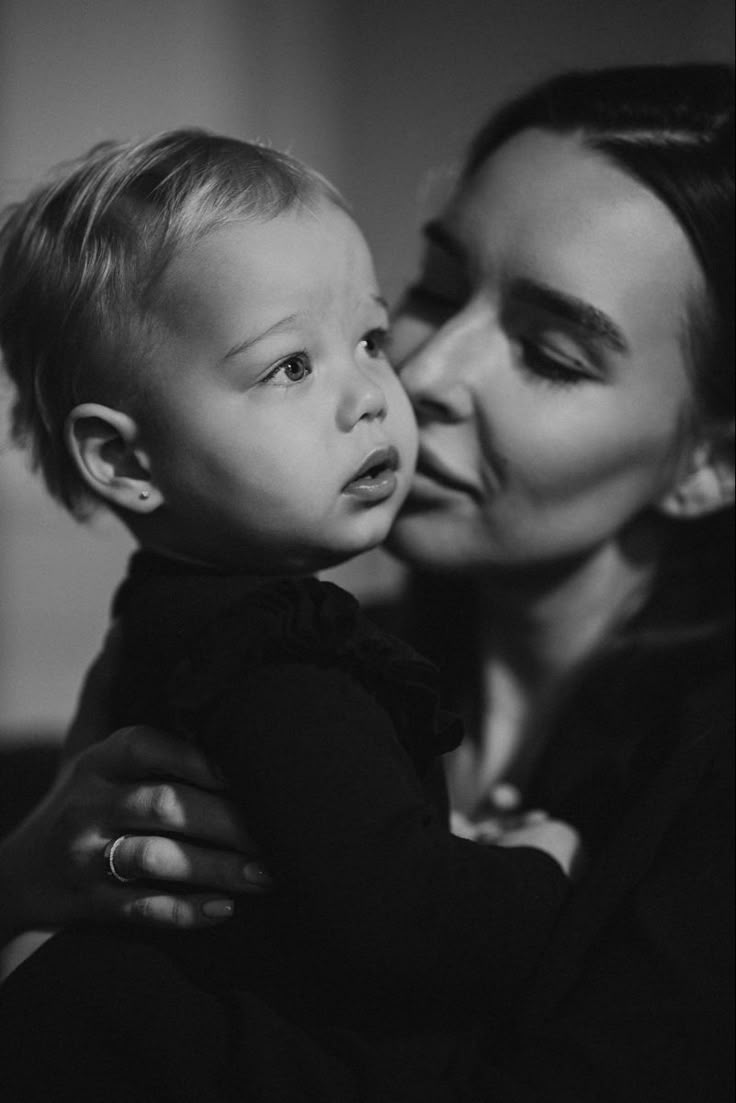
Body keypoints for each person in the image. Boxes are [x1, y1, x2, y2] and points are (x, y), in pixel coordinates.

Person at [0, 62, 733, 1101]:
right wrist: (22, 877)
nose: (418, 377)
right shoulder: (288, 646)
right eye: (434, 291)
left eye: (551, 354)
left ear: (709, 462)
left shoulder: (701, 788)